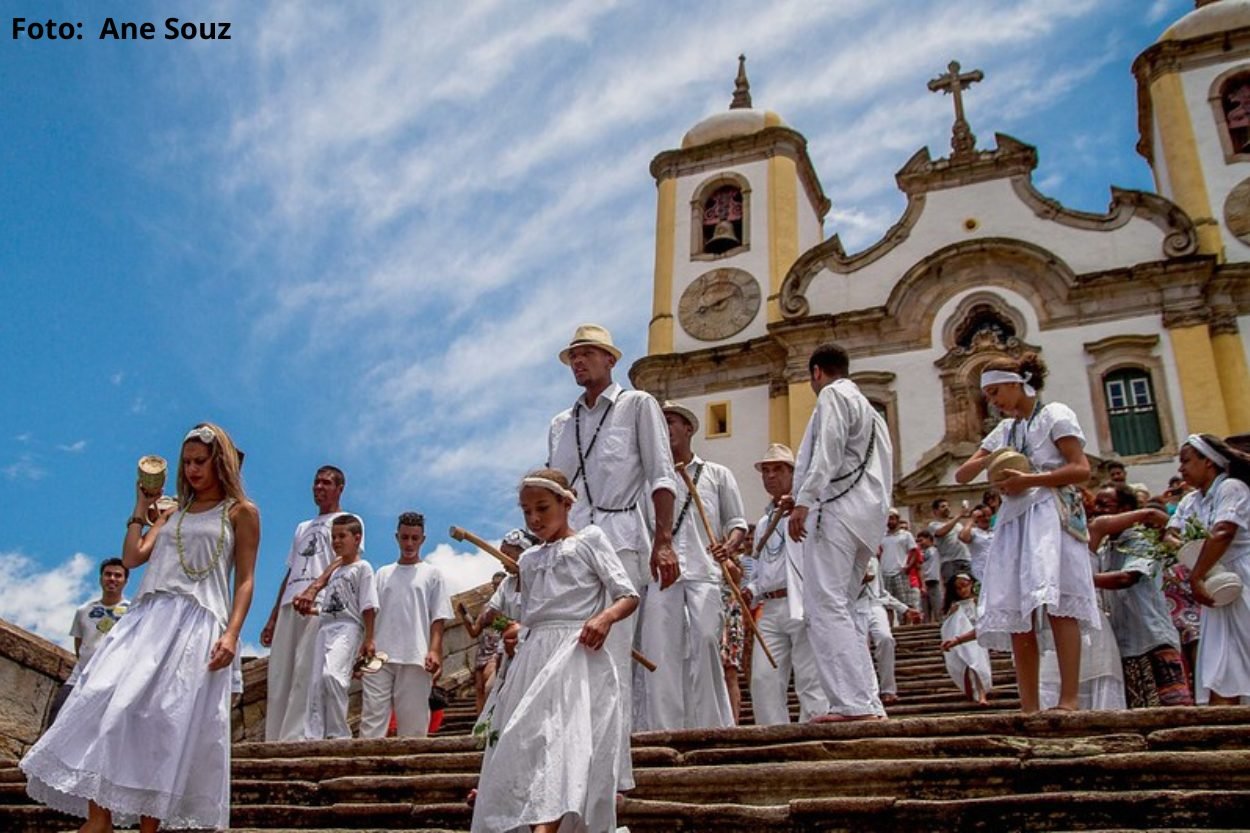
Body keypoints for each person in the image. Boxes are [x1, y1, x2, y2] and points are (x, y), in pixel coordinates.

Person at [22, 422, 259, 832]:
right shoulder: (172, 512)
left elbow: (245, 580)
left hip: (197, 623)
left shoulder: (241, 513)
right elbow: (132, 558)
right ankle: (100, 818)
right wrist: (140, 505)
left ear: (219, 462)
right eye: (187, 463)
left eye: (200, 462)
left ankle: (150, 827)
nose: (192, 470)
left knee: (166, 722)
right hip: (147, 617)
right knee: (106, 698)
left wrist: (232, 633)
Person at [471, 470, 638, 833]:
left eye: (542, 508)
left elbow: (627, 594)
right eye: (526, 511)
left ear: (567, 503)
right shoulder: (528, 562)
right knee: (528, 742)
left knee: (563, 743)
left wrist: (605, 618)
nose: (534, 519)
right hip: (533, 658)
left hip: (576, 655)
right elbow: (522, 615)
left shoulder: (590, 540)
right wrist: (515, 633)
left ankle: (547, 826)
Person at [547, 323, 677, 788]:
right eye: (573, 356)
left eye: (587, 354)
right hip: (572, 552)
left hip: (623, 539)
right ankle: (572, 768)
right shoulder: (561, 424)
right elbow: (553, 494)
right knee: (570, 658)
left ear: (610, 360)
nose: (578, 362)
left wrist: (663, 541)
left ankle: (611, 778)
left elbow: (663, 477)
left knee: (613, 658)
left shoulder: (637, 406)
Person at [954, 352, 1099, 713]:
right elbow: (962, 476)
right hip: (1016, 518)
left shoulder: (1055, 415)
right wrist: (991, 458)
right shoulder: (1005, 430)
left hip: (1050, 512)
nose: (993, 400)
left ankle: (1068, 699)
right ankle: (1029, 704)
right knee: (1018, 611)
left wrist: (1031, 478)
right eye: (987, 396)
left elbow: (1081, 468)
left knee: (1059, 604)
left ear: (1019, 383)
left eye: (997, 391)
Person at [787, 343, 894, 722]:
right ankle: (867, 700)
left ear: (816, 372)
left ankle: (851, 704)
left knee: (824, 606)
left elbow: (827, 450)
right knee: (843, 608)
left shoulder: (832, 395)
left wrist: (804, 499)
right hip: (864, 518)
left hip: (836, 513)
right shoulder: (868, 408)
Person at [636, 401, 744, 731]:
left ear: (689, 429)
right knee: (661, 649)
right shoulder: (646, 480)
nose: (665, 427)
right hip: (661, 577)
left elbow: (737, 522)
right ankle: (665, 728)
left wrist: (730, 545)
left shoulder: (717, 475)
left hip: (704, 573)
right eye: (660, 422)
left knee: (707, 642)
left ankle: (712, 725)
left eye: (671, 421)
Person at [259, 465, 359, 741]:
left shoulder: (348, 521)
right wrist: (272, 617)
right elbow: (291, 570)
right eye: (316, 482)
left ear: (339, 488)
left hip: (320, 605)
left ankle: (296, 737)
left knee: (307, 670)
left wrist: (315, 589)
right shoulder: (303, 526)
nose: (319, 487)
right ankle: (274, 737)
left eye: (326, 483)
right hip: (291, 602)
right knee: (280, 673)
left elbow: (344, 559)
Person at [743, 443, 828, 725]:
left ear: (793, 473)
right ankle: (772, 736)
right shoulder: (765, 522)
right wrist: (750, 590)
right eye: (765, 470)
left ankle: (813, 735)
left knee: (809, 676)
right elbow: (760, 570)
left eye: (777, 469)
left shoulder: (810, 511)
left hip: (801, 600)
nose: (770, 476)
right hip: (770, 606)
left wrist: (801, 505)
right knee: (763, 678)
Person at [1090, 484, 1193, 707]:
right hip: (1125, 646)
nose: (1096, 510)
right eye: (1096, 505)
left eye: (1104, 505)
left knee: (1173, 711)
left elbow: (1127, 578)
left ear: (1126, 508)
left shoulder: (1141, 541)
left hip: (1152, 640)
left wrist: (1082, 581)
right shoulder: (1106, 548)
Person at [1166, 434, 1250, 705]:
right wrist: (1193, 555)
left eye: (1187, 461)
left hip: (1242, 574)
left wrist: (1196, 574)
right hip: (1216, 582)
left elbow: (1224, 532)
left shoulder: (1232, 488)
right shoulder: (1191, 501)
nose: (1181, 469)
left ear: (1209, 462)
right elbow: (1170, 533)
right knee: (1222, 660)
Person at [358, 511, 451, 739]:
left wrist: (434, 650)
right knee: (372, 717)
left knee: (414, 721)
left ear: (423, 539)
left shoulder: (432, 574)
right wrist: (367, 641)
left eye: (414, 538)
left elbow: (438, 617)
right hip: (380, 655)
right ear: (397, 537)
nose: (409, 543)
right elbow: (371, 612)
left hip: (415, 655)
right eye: (405, 537)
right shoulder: (383, 573)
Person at [303, 514, 377, 740]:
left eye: (341, 536)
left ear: (356, 538)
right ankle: (314, 734)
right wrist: (313, 610)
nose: (336, 541)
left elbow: (368, 605)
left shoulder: (362, 568)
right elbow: (332, 605)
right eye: (333, 537)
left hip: (348, 627)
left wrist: (369, 638)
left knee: (333, 676)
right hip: (326, 627)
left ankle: (337, 733)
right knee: (316, 684)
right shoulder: (334, 572)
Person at [47, 558, 131, 725]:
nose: (112, 579)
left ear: (125, 581)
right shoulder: (84, 610)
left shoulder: (132, 612)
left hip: (109, 681)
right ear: (101, 578)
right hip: (79, 677)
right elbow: (79, 644)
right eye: (108, 574)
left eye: (117, 575)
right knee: (57, 716)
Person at [855, 555, 918, 707]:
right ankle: (867, 692)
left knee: (886, 639)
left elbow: (881, 591)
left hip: (875, 605)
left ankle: (888, 689)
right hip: (855, 605)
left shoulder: (874, 560)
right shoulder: (845, 557)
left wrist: (903, 609)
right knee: (860, 648)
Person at [939, 573, 992, 705]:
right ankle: (976, 693)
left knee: (978, 665)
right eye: (958, 588)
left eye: (964, 586)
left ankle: (981, 693)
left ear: (971, 584)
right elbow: (949, 624)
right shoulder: (956, 606)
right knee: (970, 664)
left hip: (977, 640)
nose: (962, 590)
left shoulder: (979, 602)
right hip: (962, 640)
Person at [879, 509, 921, 618]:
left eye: (892, 518)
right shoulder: (882, 536)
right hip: (885, 572)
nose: (889, 521)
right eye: (888, 519)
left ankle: (905, 626)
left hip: (900, 572)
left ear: (897, 519)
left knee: (904, 602)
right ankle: (890, 628)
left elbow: (914, 552)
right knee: (887, 603)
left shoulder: (906, 535)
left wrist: (908, 566)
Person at [928, 498, 972, 585]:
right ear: (935, 511)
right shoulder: (933, 525)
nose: (947, 508)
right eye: (943, 506)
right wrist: (959, 515)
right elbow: (941, 532)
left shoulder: (958, 525)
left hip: (964, 559)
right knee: (952, 587)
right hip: (950, 562)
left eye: (948, 506)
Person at [958, 504, 994, 583]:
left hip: (996, 569)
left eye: (989, 515)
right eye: (983, 516)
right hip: (980, 570)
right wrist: (972, 519)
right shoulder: (974, 532)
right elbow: (963, 537)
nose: (987, 519)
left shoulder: (995, 531)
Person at [917, 529, 942, 622]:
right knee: (925, 609)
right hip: (925, 581)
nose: (920, 543)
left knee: (937, 606)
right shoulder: (922, 552)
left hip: (933, 580)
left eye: (921, 540)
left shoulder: (934, 550)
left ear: (928, 539)